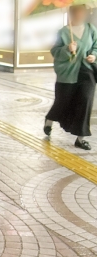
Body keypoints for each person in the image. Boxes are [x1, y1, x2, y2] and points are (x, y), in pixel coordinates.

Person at [45, 5, 97, 150]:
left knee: (86, 100)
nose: (80, 14)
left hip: (87, 72)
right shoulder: (63, 32)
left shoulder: (91, 29)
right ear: (71, 13)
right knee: (63, 101)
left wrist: (94, 56)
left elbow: (96, 46)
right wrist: (67, 49)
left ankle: (80, 138)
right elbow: (55, 51)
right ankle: (49, 120)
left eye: (82, 12)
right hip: (67, 74)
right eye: (77, 12)